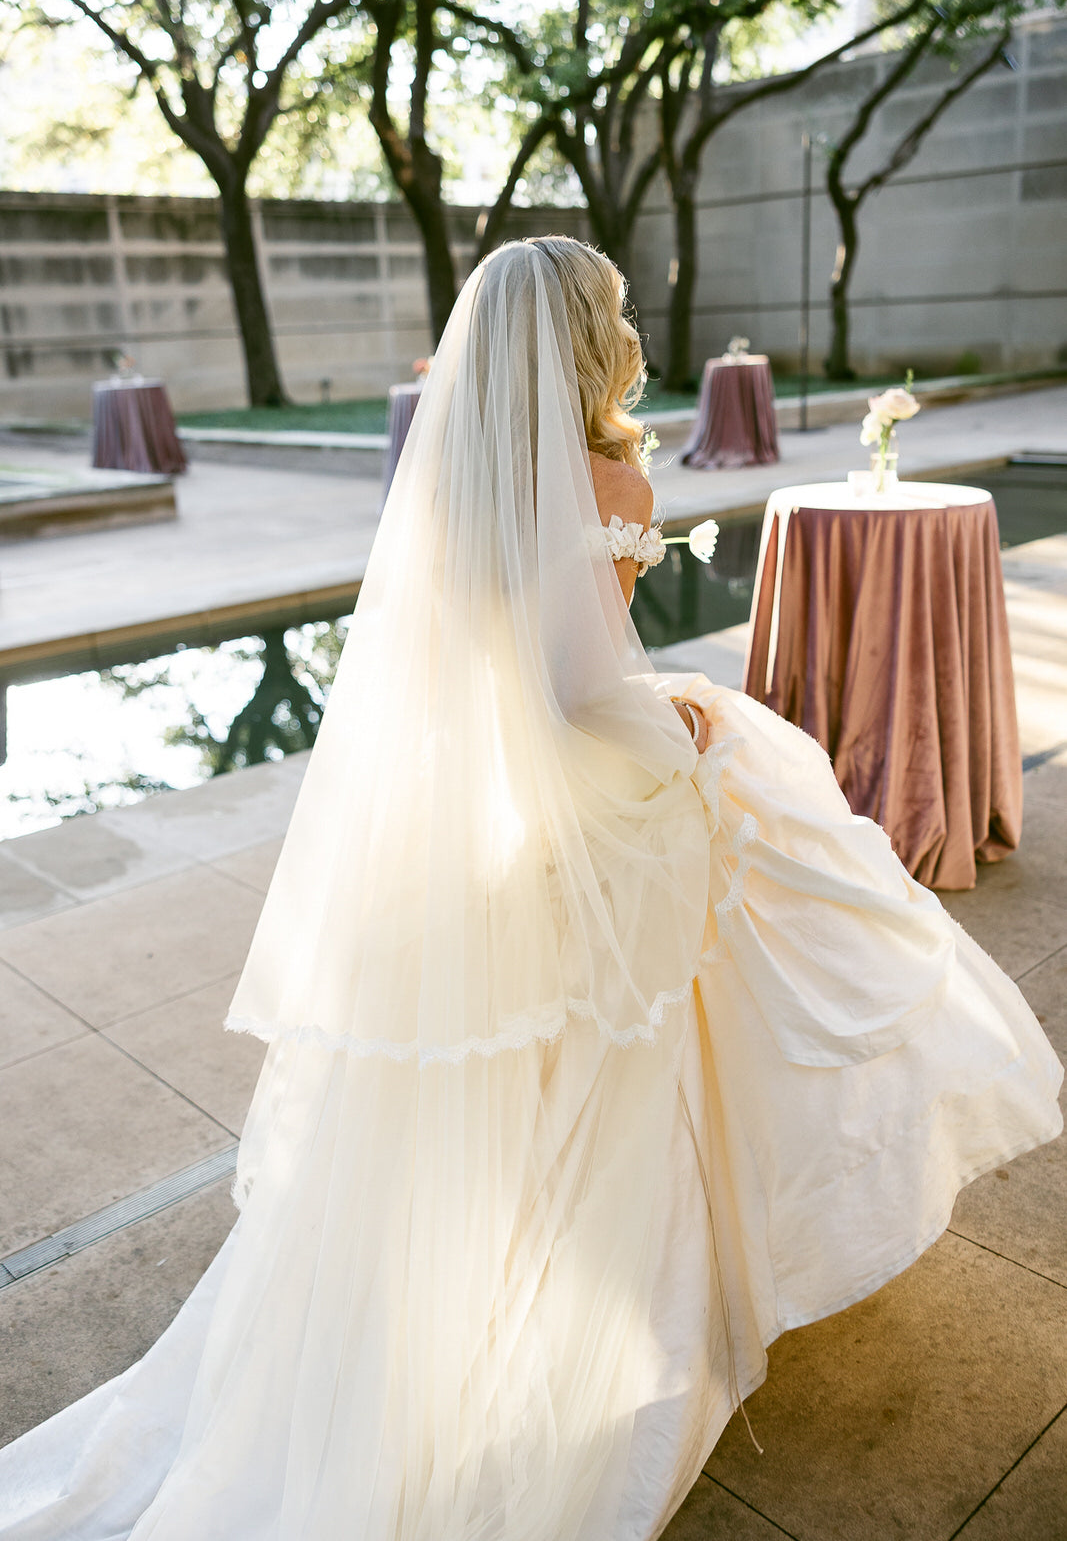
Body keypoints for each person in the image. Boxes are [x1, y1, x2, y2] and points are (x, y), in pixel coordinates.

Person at [0, 238, 1061, 1541]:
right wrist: (689, 736)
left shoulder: (456, 476)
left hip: (485, 807)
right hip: (582, 798)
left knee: (511, 1075)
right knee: (676, 1006)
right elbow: (578, 690)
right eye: (613, 310)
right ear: (581, 336)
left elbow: (493, 673)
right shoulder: (605, 471)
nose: (629, 325)